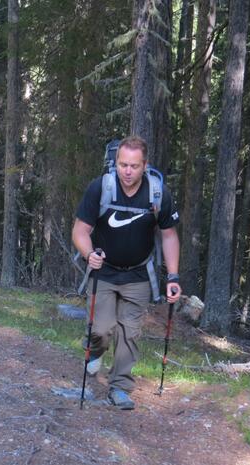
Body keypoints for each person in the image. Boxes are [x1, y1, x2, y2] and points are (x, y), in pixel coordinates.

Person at [71, 135, 181, 410]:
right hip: (104, 272)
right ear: (115, 162)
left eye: (134, 166)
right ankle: (95, 349)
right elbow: (80, 231)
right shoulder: (101, 188)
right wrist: (89, 254)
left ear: (145, 165)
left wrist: (173, 277)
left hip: (138, 274)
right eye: (123, 165)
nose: (128, 171)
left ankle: (119, 387)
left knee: (129, 332)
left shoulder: (157, 193)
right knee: (101, 329)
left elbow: (169, 235)